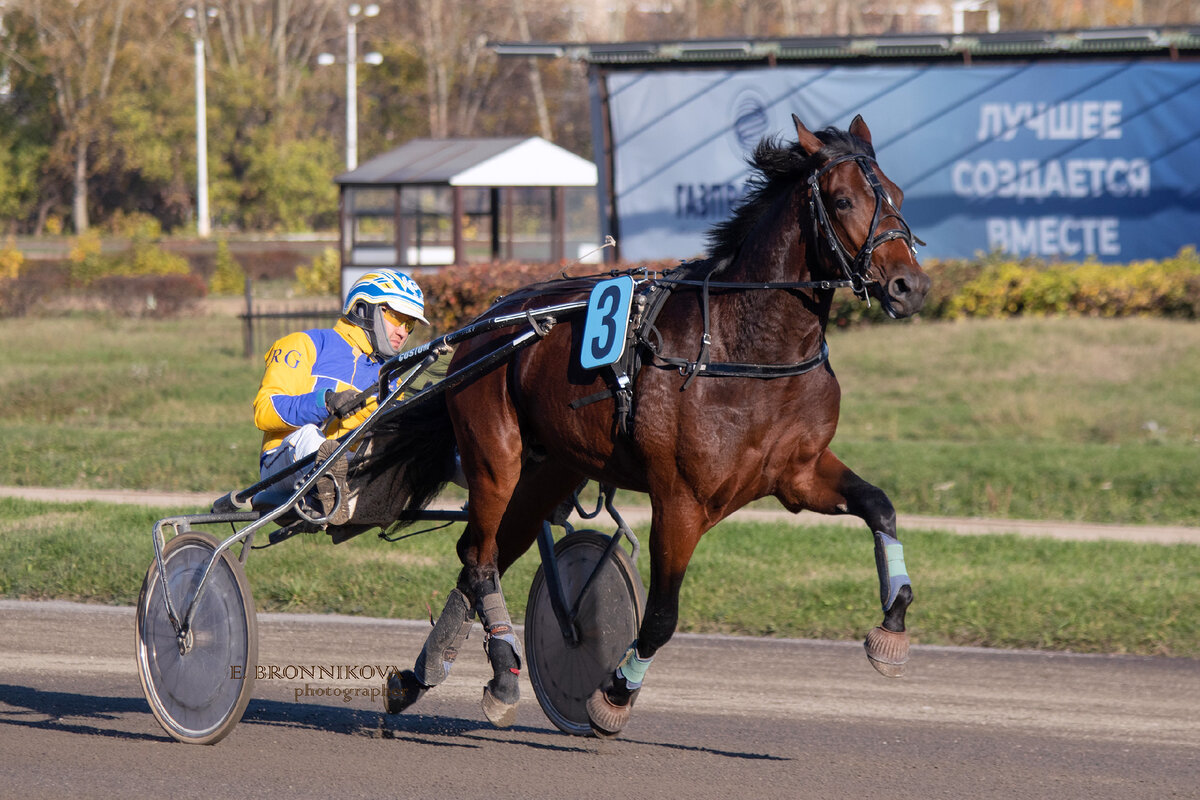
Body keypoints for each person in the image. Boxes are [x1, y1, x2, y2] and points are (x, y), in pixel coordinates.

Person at [251, 269, 430, 522]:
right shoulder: (303, 344)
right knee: (312, 438)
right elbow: (264, 412)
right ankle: (329, 490)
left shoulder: (391, 378)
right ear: (363, 309)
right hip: (283, 467)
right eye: (397, 317)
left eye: (409, 324)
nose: (403, 331)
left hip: (350, 469)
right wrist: (325, 402)